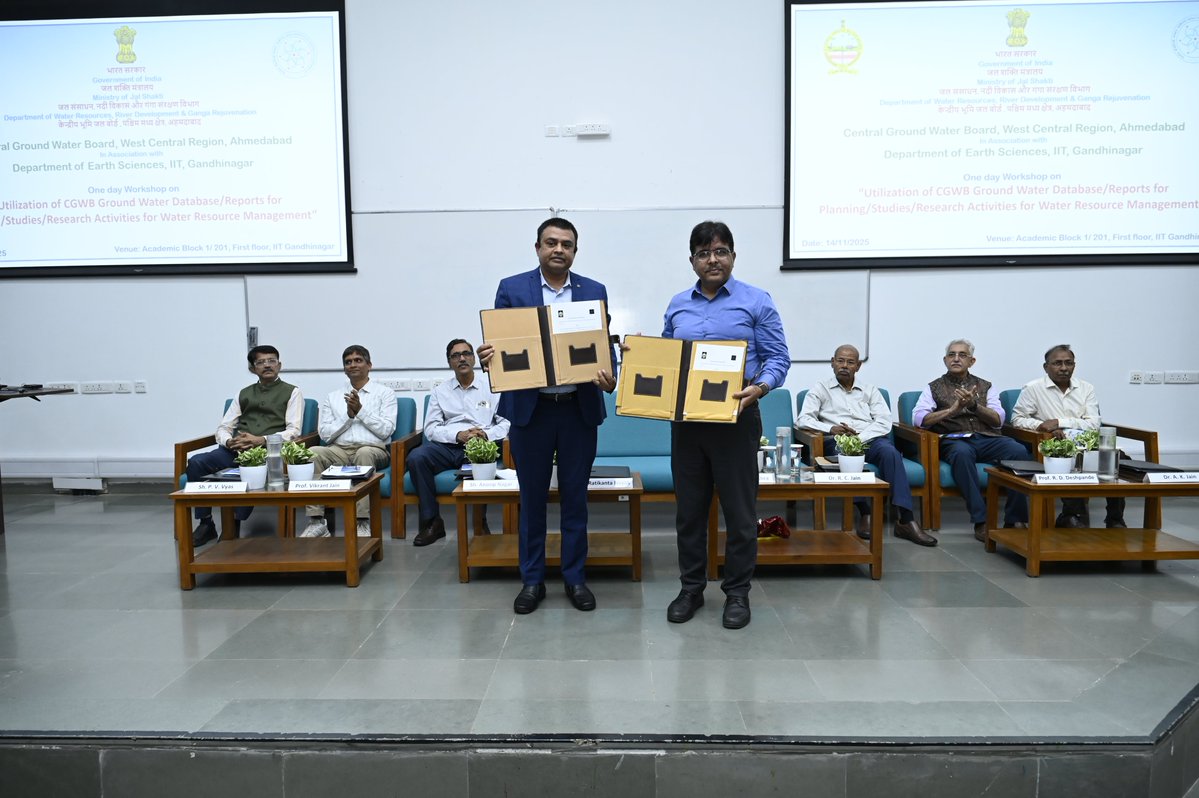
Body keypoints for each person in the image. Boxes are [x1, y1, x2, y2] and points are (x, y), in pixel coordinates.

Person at [477, 218, 616, 615]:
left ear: (575, 251)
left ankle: (575, 578)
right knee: (532, 499)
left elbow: (602, 345)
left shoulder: (594, 291)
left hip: (577, 410)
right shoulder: (512, 288)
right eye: (551, 242)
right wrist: (489, 358)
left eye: (566, 244)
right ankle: (532, 580)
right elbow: (501, 345)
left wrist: (611, 376)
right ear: (537, 247)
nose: (558, 249)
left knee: (575, 499)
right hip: (531, 411)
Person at [663, 221, 790, 630]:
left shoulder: (756, 300)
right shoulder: (677, 304)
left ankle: (737, 593)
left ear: (733, 256)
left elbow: (778, 357)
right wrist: (641, 354)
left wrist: (761, 387)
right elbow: (668, 362)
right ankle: (691, 589)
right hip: (687, 421)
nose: (712, 260)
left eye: (720, 251)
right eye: (703, 253)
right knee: (689, 513)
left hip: (737, 417)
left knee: (739, 513)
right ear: (692, 261)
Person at [797, 344, 937, 546]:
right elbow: (803, 419)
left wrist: (860, 437)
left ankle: (906, 520)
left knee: (890, 452)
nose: (844, 366)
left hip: (869, 438)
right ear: (832, 362)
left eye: (850, 362)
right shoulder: (820, 389)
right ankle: (866, 512)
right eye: (840, 361)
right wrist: (831, 428)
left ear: (858, 366)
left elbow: (884, 421)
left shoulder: (870, 390)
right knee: (848, 455)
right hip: (837, 442)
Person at [185, 345, 304, 546]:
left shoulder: (292, 392)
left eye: (272, 360)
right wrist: (229, 441)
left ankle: (233, 524)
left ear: (279, 365)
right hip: (236, 450)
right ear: (252, 369)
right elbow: (224, 427)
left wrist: (261, 440)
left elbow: (294, 431)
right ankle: (206, 523)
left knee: (249, 471)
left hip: (267, 453)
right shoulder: (243, 393)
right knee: (197, 462)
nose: (267, 365)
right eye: (261, 362)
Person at [913, 338, 1029, 541]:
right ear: (945, 360)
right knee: (961, 453)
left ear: (972, 361)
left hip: (987, 438)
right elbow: (919, 419)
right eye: (951, 355)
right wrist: (951, 410)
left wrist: (974, 406)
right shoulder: (933, 387)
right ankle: (981, 520)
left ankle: (1015, 519)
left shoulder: (985, 386)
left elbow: (998, 420)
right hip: (954, 441)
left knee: (1018, 451)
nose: (956, 359)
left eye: (962, 355)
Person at [408, 338, 510, 546]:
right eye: (455, 356)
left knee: (482, 458)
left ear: (474, 359)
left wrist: (484, 434)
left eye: (466, 354)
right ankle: (432, 522)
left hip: (479, 446)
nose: (462, 358)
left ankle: (480, 522)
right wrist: (457, 435)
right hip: (447, 447)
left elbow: (506, 424)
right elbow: (431, 428)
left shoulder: (492, 387)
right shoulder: (440, 392)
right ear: (449, 362)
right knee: (417, 457)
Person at [1010, 344, 1125, 528]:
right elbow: (1017, 419)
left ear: (1074, 365)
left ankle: (1115, 518)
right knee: (1069, 457)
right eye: (1057, 363)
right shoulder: (1033, 389)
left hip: (1087, 442)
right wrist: (1041, 426)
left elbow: (1093, 423)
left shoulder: (1086, 388)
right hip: (1056, 444)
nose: (1063, 368)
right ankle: (1072, 515)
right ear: (1046, 367)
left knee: (1117, 460)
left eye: (1068, 363)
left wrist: (1059, 422)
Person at [300, 345, 398, 539]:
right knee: (313, 452)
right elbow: (325, 434)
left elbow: (386, 430)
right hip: (339, 451)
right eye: (348, 362)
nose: (353, 365)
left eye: (358, 360)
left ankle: (362, 522)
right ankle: (317, 522)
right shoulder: (333, 397)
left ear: (369, 365)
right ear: (344, 368)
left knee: (364, 453)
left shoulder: (385, 393)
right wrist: (349, 416)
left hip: (373, 449)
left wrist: (361, 411)